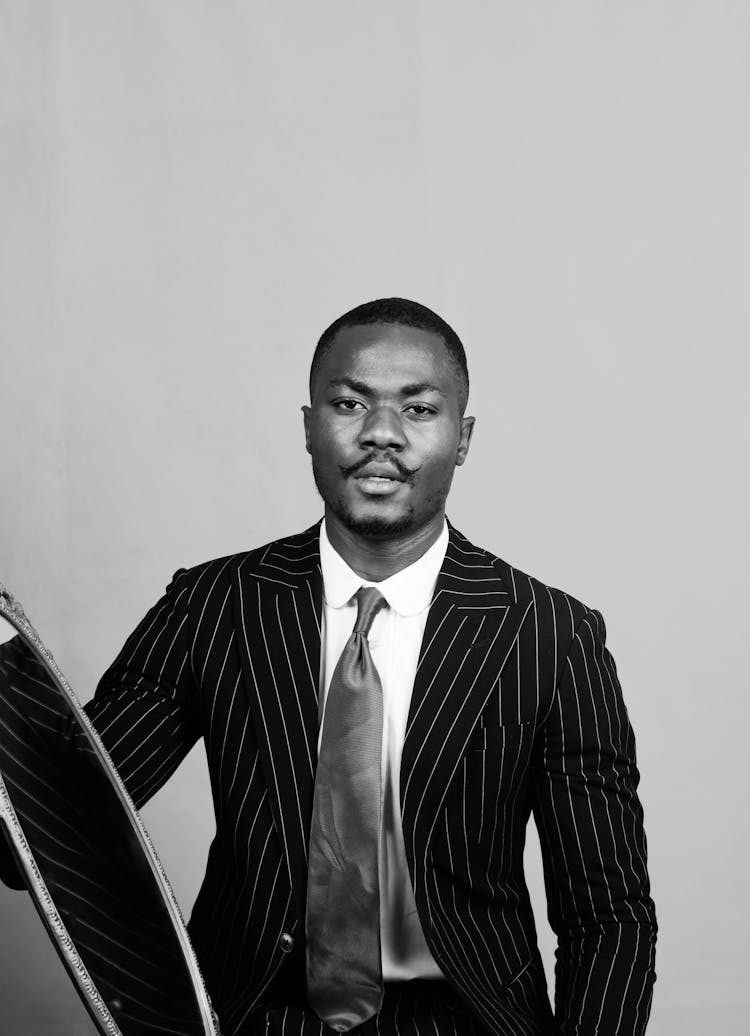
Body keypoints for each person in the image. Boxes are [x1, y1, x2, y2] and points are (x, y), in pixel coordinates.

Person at [4, 298, 657, 1036]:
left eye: (418, 409)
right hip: (248, 1016)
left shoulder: (549, 634)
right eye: (350, 403)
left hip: (460, 1020)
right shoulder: (214, 605)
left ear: (463, 437)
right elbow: (47, 819)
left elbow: (606, 915)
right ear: (310, 425)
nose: (381, 434)